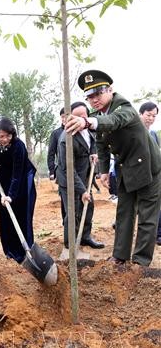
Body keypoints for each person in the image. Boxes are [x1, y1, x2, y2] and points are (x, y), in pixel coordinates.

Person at [66, 70, 161, 266]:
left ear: (110, 90)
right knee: (124, 213)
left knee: (146, 216)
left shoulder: (123, 107)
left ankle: (140, 262)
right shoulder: (99, 115)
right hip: (125, 169)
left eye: (98, 93)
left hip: (149, 169)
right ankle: (119, 256)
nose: (94, 100)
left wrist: (87, 122)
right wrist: (102, 171)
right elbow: (101, 144)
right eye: (90, 96)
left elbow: (115, 121)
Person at [0, 116, 37, 264]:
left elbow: (17, 174)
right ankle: (10, 250)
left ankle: (25, 250)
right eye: (1, 136)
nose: (5, 139)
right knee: (6, 216)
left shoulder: (18, 146)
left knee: (21, 215)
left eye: (8, 136)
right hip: (5, 178)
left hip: (22, 180)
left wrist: (11, 196)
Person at [56, 102, 105, 249]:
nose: (81, 119)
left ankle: (85, 237)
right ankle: (70, 244)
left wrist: (93, 154)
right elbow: (68, 169)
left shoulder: (89, 130)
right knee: (73, 212)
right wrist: (82, 190)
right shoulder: (67, 139)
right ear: (70, 118)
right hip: (69, 181)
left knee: (88, 207)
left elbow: (92, 145)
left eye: (84, 116)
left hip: (85, 178)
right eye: (77, 117)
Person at [139, 101, 161, 246]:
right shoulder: (135, 131)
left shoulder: (153, 134)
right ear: (140, 114)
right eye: (148, 115)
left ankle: (158, 234)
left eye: (154, 116)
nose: (151, 118)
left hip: (154, 176)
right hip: (138, 176)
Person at [47, 107, 67, 226]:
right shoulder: (56, 133)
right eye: (63, 116)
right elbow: (51, 153)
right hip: (62, 171)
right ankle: (66, 225)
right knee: (65, 200)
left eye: (67, 115)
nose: (65, 119)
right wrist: (52, 170)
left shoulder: (78, 130)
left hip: (78, 170)